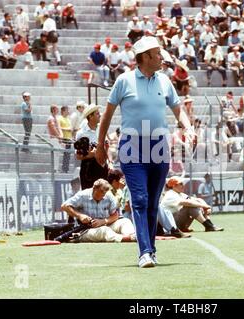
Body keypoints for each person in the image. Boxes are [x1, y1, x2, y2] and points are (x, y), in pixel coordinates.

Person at [95, 36, 194, 268]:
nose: (162, 57)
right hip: (131, 146)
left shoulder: (165, 82)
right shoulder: (124, 81)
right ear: (146, 57)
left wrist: (188, 127)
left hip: (159, 146)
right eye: (158, 54)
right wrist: (101, 145)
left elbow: (178, 109)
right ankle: (145, 252)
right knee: (139, 199)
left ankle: (151, 249)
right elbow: (107, 115)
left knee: (152, 203)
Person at [60, 179, 136, 243]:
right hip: (85, 230)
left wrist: (104, 221)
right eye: (100, 193)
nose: (102, 196)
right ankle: (126, 239)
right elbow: (64, 206)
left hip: (105, 224)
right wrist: (80, 216)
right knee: (104, 231)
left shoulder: (108, 196)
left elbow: (115, 215)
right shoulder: (82, 195)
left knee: (125, 221)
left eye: (104, 193)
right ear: (94, 188)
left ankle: (132, 236)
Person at [76, 104, 109, 190]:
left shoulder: (102, 129)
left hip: (102, 166)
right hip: (88, 169)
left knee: (103, 196)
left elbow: (106, 148)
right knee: (88, 196)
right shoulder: (81, 133)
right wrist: (90, 155)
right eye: (97, 113)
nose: (100, 115)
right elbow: (78, 156)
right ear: (90, 116)